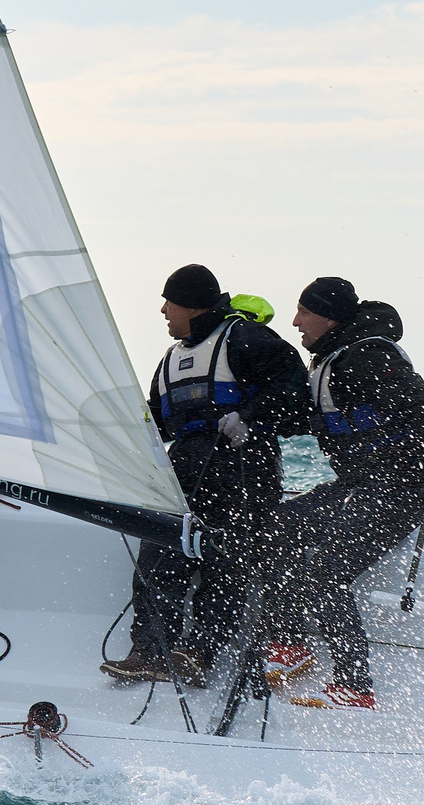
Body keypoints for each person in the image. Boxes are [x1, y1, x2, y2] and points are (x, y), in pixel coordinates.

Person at [103, 264, 308, 685]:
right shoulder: (171, 360)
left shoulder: (246, 339)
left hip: (242, 466)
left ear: (192, 303)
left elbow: (296, 396)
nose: (162, 310)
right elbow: (154, 423)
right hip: (184, 469)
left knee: (225, 563)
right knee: (158, 557)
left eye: (169, 301)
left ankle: (200, 652)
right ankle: (149, 652)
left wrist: (250, 418)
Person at [265, 277, 424, 709]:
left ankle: (354, 685)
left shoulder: (368, 354)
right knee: (276, 527)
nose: (296, 321)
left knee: (327, 571)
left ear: (328, 316)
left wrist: (408, 476)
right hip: (356, 483)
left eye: (304, 312)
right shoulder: (331, 359)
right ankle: (291, 647)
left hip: (399, 488)